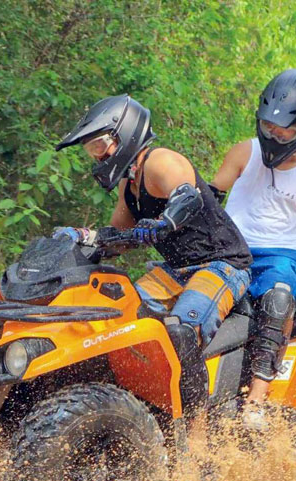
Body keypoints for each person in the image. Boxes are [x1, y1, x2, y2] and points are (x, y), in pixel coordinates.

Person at [53, 94, 252, 419]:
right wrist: (83, 237)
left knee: (180, 332)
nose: (97, 156)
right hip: (174, 269)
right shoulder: (129, 185)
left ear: (125, 133)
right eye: (91, 150)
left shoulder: (161, 163)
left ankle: (197, 433)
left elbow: (189, 198)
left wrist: (164, 222)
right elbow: (117, 237)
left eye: (100, 145)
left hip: (221, 264)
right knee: (117, 316)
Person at [211, 69, 296, 425]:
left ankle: (256, 400)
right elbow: (210, 198)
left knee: (279, 300)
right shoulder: (243, 152)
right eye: (269, 127)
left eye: (286, 131)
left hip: (281, 257)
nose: (276, 136)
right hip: (229, 250)